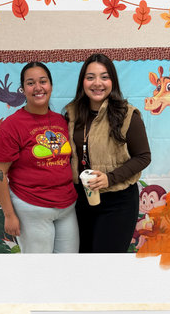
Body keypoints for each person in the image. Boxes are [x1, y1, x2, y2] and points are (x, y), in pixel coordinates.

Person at [64, 53, 151, 253]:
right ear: (83, 82)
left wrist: (110, 178)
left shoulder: (127, 115)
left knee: (105, 263)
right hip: (80, 201)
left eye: (104, 77)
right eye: (90, 77)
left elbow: (143, 156)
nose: (97, 83)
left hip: (118, 202)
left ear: (113, 81)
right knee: (83, 259)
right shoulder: (71, 114)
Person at [0, 61, 79, 253]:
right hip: (32, 208)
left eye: (43, 81)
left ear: (51, 86)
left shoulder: (61, 121)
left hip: (67, 206)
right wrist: (9, 214)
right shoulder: (12, 125)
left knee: (68, 265)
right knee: (38, 268)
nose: (38, 87)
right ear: (23, 89)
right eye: (31, 83)